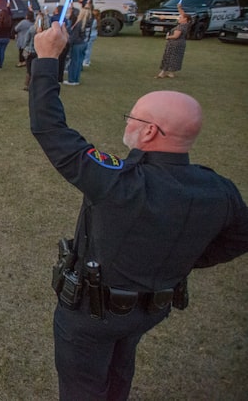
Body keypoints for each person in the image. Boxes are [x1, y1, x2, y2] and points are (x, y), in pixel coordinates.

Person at [29, 21, 248, 401]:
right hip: (149, 309)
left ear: (150, 132)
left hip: (89, 316)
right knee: (118, 376)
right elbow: (239, 237)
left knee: (82, 388)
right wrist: (176, 259)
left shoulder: (121, 182)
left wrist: (47, 59)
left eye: (132, 118)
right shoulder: (220, 190)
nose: (128, 123)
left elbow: (50, 129)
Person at [156, 3, 189, 79]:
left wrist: (168, 37)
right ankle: (171, 73)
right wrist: (179, 7)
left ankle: (162, 73)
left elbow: (175, 36)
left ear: (185, 19)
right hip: (180, 43)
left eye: (181, 17)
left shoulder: (181, 26)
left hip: (175, 44)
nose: (179, 18)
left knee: (169, 57)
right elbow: (183, 14)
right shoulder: (187, 24)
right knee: (174, 58)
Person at [64, 5, 91, 86]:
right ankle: (76, 79)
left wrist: (68, 43)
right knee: (79, 62)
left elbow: (74, 36)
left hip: (77, 44)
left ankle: (72, 80)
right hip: (84, 43)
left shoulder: (79, 24)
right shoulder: (88, 22)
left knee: (74, 62)